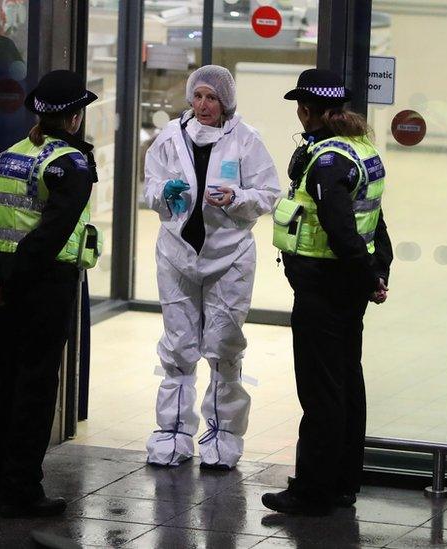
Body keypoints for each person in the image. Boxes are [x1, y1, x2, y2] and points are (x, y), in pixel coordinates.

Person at [0, 70, 100, 518]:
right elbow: (50, 236)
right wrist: (13, 282)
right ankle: (22, 489)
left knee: (6, 382)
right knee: (37, 386)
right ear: (75, 117)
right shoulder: (71, 165)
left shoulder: (10, 155)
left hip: (2, 287)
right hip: (43, 286)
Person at [261, 69, 393, 516]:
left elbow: (340, 229)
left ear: (306, 110)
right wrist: (377, 272)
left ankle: (312, 490)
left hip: (325, 285)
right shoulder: (362, 150)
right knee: (346, 384)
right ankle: (341, 483)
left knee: (321, 392)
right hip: (350, 285)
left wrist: (365, 276)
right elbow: (374, 220)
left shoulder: (326, 160)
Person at [143, 65, 280, 470]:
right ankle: (172, 434)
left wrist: (236, 197)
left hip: (230, 256)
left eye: (212, 98)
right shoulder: (169, 139)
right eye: (199, 96)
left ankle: (222, 439)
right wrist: (163, 193)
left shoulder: (246, 140)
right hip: (176, 253)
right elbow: (151, 187)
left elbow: (269, 193)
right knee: (178, 346)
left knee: (223, 348)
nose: (204, 105)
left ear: (226, 103)